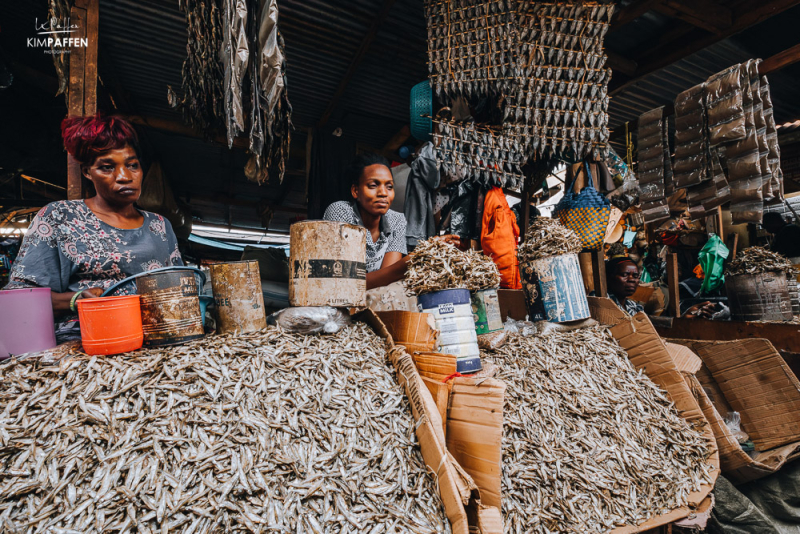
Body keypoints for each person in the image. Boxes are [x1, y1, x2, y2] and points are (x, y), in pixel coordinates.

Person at [4, 115, 183, 341]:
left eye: (132, 165)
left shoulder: (160, 225)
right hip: (86, 344)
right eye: (107, 167)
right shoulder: (61, 217)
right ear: (88, 172)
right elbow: (18, 297)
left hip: (154, 338)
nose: (124, 177)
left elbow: (180, 287)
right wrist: (76, 299)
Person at [324, 153, 458, 289]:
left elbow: (386, 279)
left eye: (389, 187)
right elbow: (348, 283)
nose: (383, 193)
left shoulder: (396, 220)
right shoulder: (341, 212)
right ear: (355, 191)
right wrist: (419, 256)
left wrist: (426, 251)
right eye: (373, 185)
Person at [605, 255, 716, 318]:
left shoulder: (634, 306)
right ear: (609, 277)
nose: (631, 280)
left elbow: (650, 327)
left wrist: (684, 318)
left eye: (635, 276)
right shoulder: (602, 303)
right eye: (625, 275)